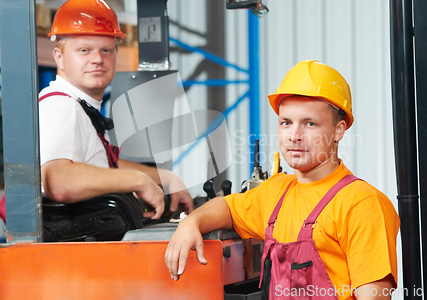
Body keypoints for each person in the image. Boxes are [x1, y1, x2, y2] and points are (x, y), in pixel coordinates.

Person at [165, 60, 400, 299]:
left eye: (310, 124)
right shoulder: (276, 193)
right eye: (286, 123)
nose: (294, 136)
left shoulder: (362, 204)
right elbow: (226, 207)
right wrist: (190, 223)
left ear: (339, 130)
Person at [40, 0, 194, 219]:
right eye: (84, 50)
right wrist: (137, 180)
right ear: (59, 57)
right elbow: (59, 181)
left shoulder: (80, 106)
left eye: (106, 50)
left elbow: (101, 161)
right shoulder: (62, 106)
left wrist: (165, 178)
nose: (97, 59)